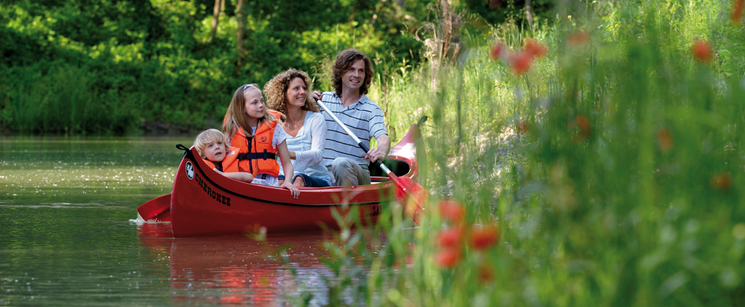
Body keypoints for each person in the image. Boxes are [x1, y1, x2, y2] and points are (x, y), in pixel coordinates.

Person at [317, 49, 390, 186]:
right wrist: (306, 101)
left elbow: (383, 137)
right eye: (351, 69)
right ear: (341, 72)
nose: (356, 75)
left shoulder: (371, 109)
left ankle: (349, 206)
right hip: (323, 173)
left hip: (356, 172)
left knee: (341, 163)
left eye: (361, 71)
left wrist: (381, 151)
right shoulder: (322, 101)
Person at [222, 84, 300, 199]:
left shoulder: (275, 129)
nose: (261, 105)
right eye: (255, 102)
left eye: (262, 101)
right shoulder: (231, 132)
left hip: (269, 185)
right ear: (242, 107)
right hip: (241, 185)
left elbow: (287, 163)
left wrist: (288, 181)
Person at [264, 69, 332, 187]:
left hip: (315, 178)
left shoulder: (316, 119)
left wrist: (288, 154)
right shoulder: (274, 123)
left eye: (304, 88)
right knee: (278, 181)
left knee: (299, 180)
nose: (302, 92)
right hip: (283, 177)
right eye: (296, 88)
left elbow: (317, 155)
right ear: (283, 93)